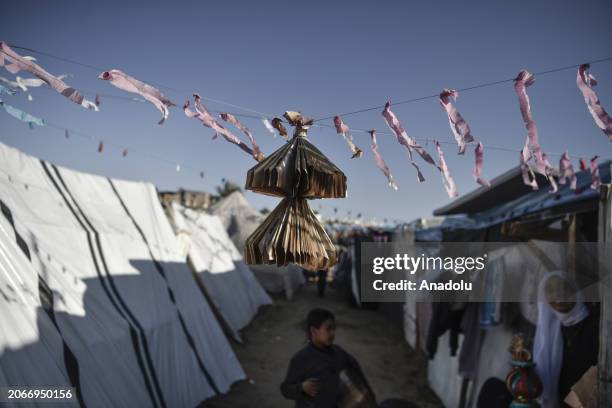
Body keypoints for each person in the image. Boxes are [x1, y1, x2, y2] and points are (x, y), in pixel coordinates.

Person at [280, 308, 376, 408]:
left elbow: (356, 369)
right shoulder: (301, 359)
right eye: (328, 329)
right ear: (313, 331)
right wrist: (301, 387)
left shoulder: (339, 352)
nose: (333, 333)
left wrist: (369, 395)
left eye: (334, 329)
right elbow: (285, 389)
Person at [533, 271, 599, 408]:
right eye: (550, 290)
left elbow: (599, 370)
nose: (558, 295)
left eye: (564, 288)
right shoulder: (552, 332)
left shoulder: (595, 325)